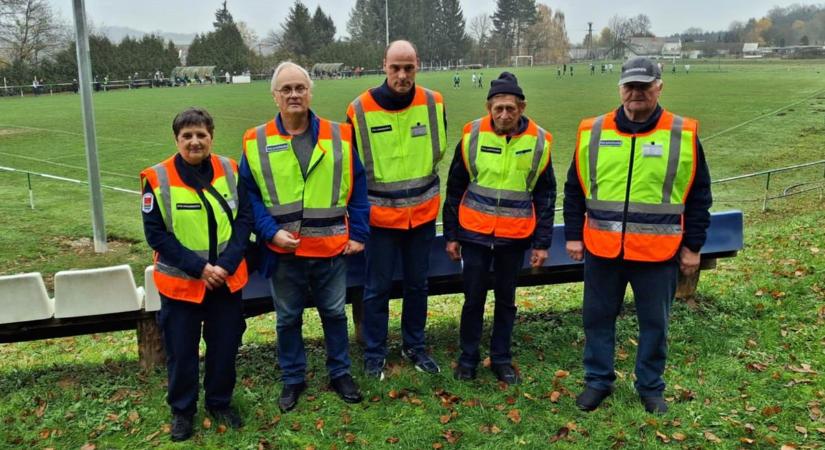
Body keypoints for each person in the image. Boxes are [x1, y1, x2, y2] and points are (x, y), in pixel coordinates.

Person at [563, 57, 712, 414]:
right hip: (602, 250)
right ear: (620, 88)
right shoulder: (593, 131)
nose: (636, 93)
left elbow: (699, 195)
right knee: (597, 319)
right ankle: (598, 381)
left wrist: (693, 247)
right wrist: (572, 235)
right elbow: (574, 189)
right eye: (630, 86)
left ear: (659, 87)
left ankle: (650, 387)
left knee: (655, 324)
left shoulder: (682, 134)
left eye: (644, 86)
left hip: (658, 254)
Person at [239, 61, 369, 412]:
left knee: (334, 315)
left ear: (310, 92)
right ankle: (293, 379)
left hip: (330, 248)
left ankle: (339, 373)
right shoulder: (256, 140)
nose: (294, 94)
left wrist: (359, 232)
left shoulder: (339, 134)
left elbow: (358, 187)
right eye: (286, 89)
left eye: (300, 88)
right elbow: (248, 196)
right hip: (284, 253)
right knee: (288, 319)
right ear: (275, 96)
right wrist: (270, 233)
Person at [141, 107, 252, 441]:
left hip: (226, 282)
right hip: (181, 285)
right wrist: (201, 268)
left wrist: (226, 265)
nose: (194, 142)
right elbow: (156, 235)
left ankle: (219, 402)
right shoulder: (156, 178)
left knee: (224, 347)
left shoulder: (230, 169)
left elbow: (244, 220)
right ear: (176, 139)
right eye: (187, 136)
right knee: (182, 353)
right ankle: (183, 411)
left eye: (201, 135)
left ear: (211, 137)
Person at [443, 72, 556, 384]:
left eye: (511, 108)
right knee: (473, 299)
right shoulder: (472, 137)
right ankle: (468, 359)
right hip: (475, 235)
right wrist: (452, 235)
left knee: (506, 301)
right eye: (498, 109)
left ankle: (502, 359)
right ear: (488, 107)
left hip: (514, 238)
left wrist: (542, 242)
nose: (504, 114)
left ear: (521, 107)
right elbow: (454, 188)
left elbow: (546, 194)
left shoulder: (539, 142)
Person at [346, 40, 447, 380]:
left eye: (409, 68)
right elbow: (352, 173)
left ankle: (414, 346)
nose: (402, 75)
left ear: (418, 65)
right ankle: (375, 353)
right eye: (395, 68)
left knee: (418, 286)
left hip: (421, 216)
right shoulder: (358, 109)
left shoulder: (434, 102)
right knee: (376, 289)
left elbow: (437, 153)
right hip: (380, 219)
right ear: (383, 66)